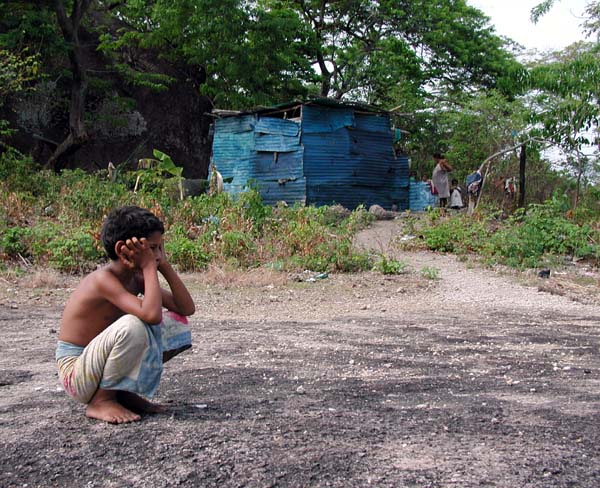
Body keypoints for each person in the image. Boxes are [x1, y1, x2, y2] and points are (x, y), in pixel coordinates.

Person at [55, 206, 196, 424]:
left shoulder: (136, 278)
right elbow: (151, 315)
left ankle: (122, 391)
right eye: (152, 248)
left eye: (160, 248)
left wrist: (163, 265)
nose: (157, 255)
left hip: (97, 364)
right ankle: (101, 400)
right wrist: (149, 266)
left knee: (177, 325)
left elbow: (185, 308)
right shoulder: (103, 280)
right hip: (76, 371)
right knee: (134, 324)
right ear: (123, 250)